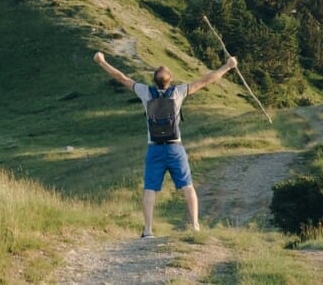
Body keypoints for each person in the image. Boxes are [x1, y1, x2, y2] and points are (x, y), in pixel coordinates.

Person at [93, 50, 237, 236]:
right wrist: (228, 66)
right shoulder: (177, 92)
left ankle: (148, 230)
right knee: (187, 186)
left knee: (150, 189)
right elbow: (206, 80)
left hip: (154, 148)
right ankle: (194, 225)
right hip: (175, 147)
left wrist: (101, 61)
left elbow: (121, 77)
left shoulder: (146, 92)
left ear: (154, 79)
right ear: (170, 80)